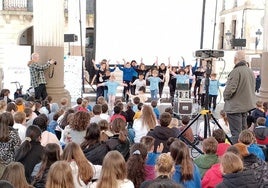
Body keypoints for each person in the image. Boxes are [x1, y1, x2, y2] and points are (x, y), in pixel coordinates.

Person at [223, 50, 256, 144]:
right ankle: (244, 152)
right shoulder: (250, 71)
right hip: (245, 107)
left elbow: (230, 90)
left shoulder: (236, 71)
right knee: (243, 132)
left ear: (235, 59)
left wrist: (225, 96)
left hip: (235, 107)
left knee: (236, 134)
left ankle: (237, 155)